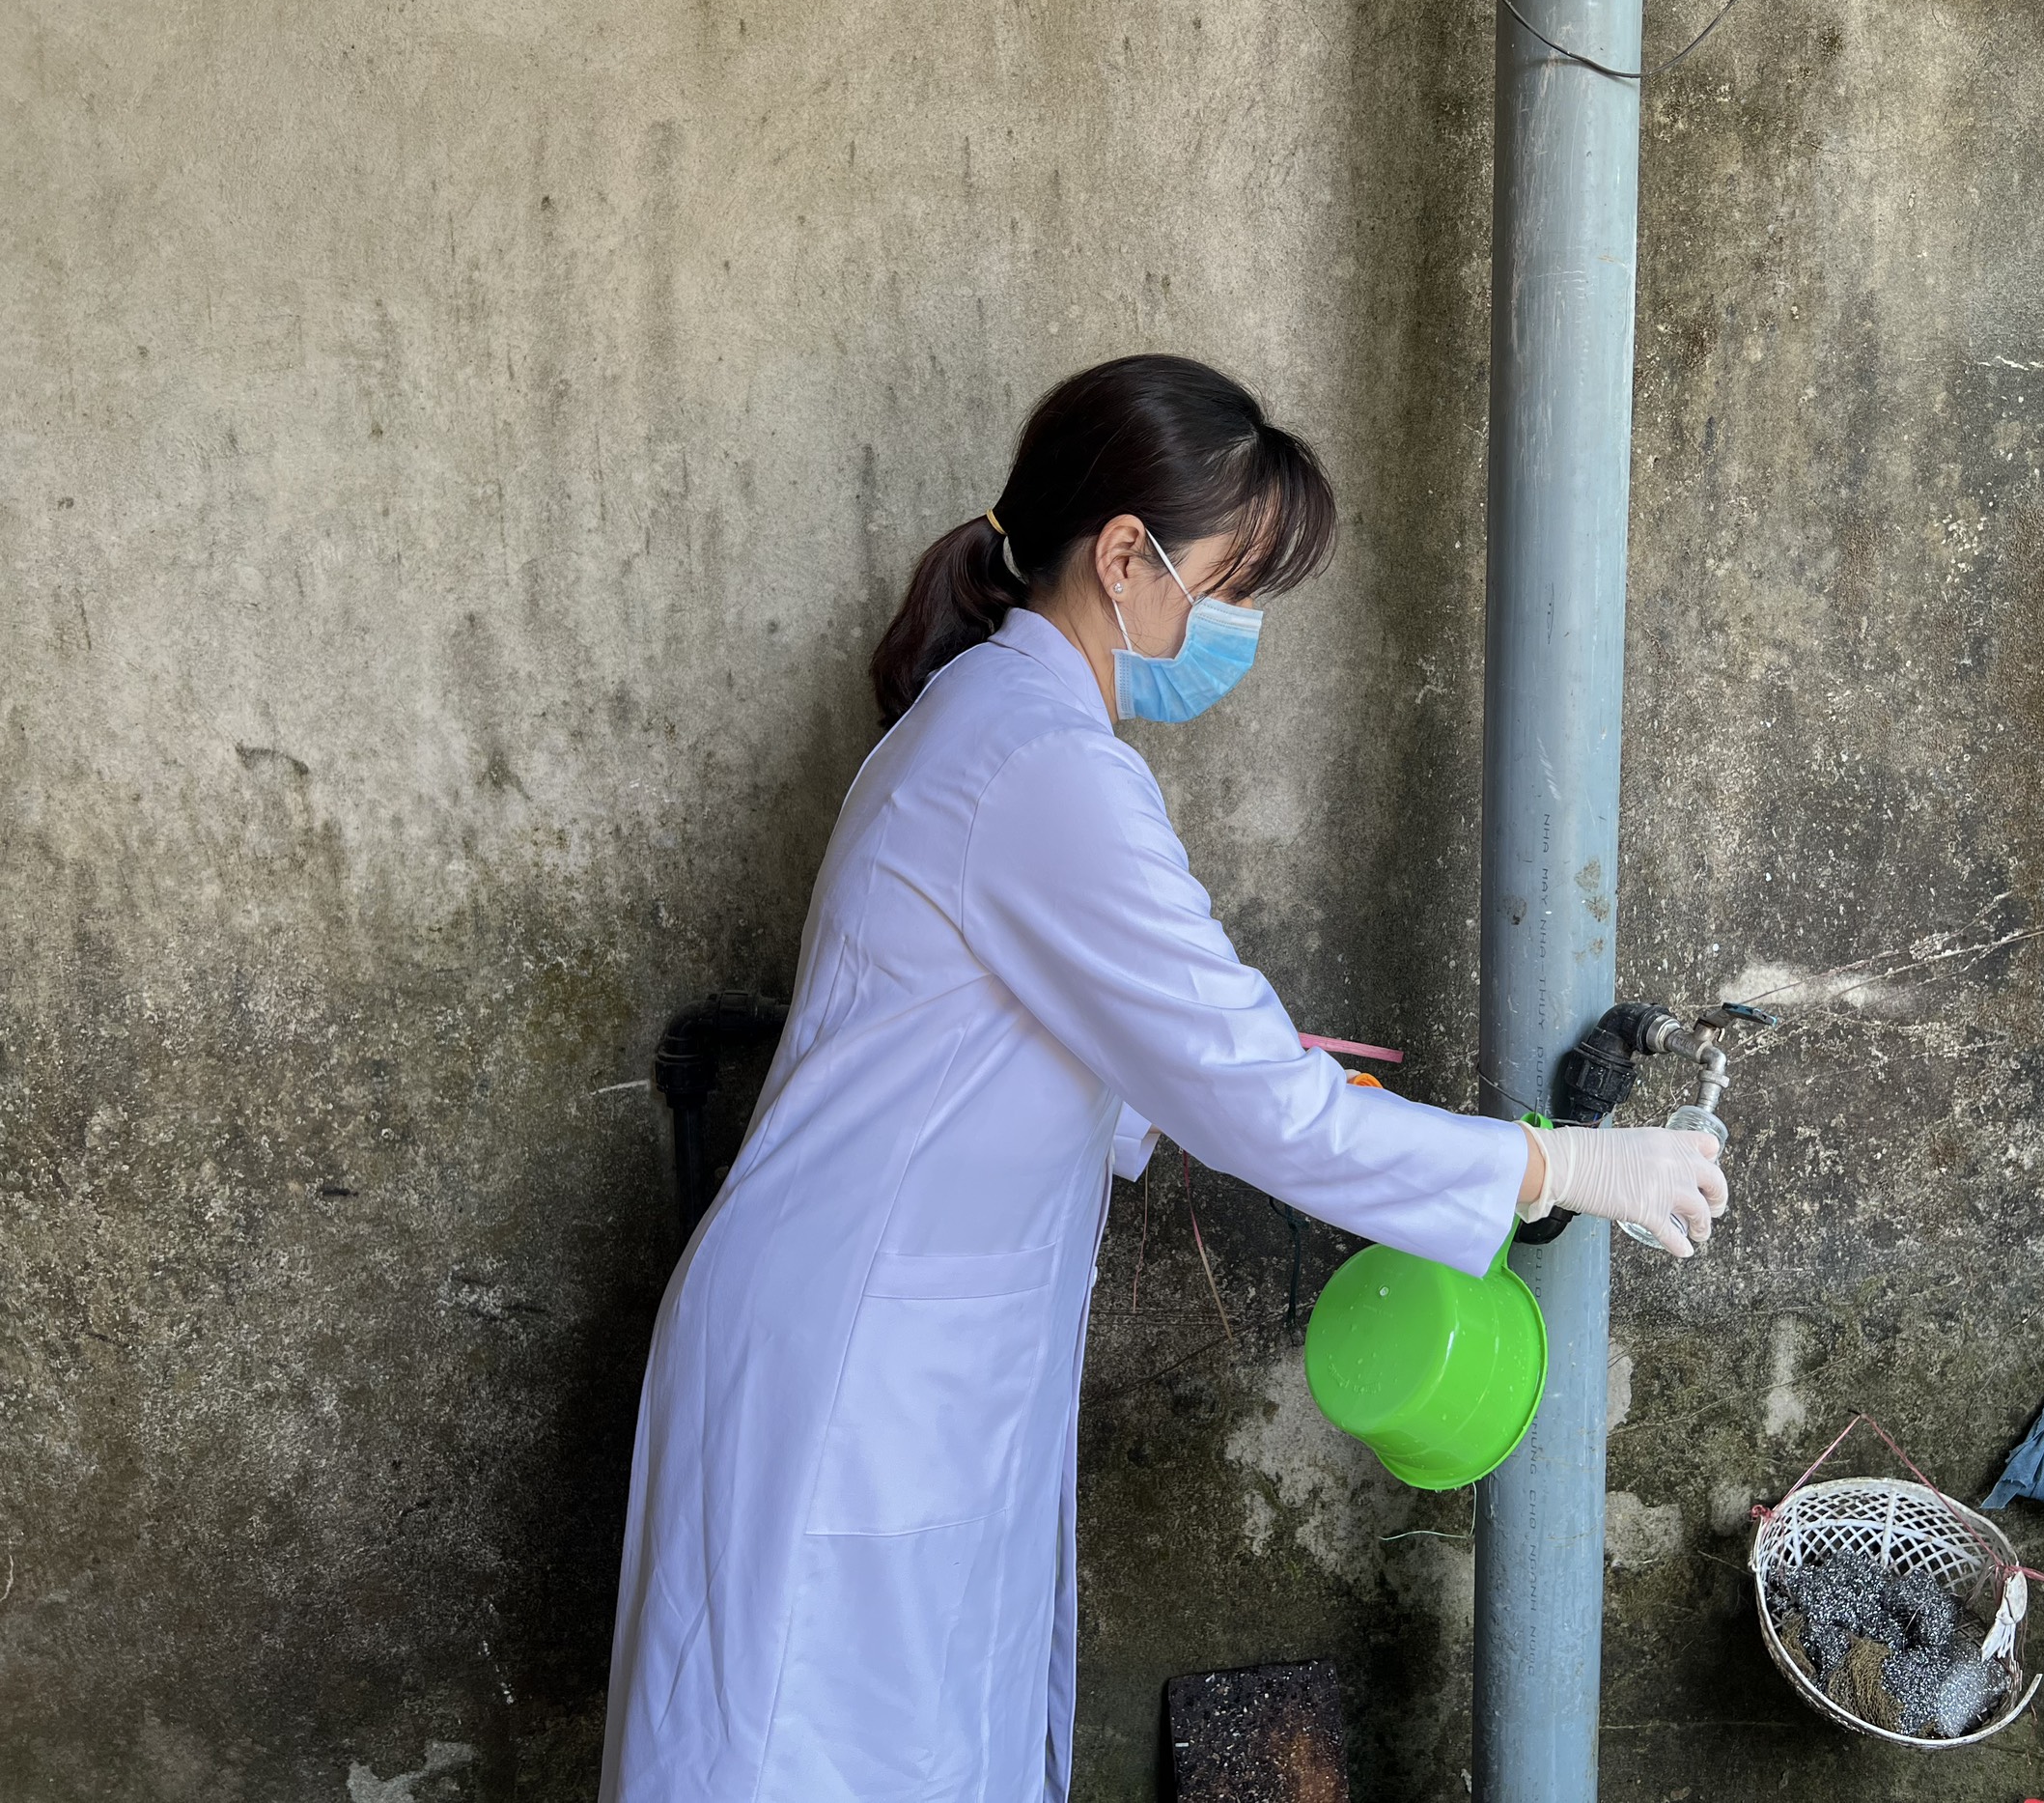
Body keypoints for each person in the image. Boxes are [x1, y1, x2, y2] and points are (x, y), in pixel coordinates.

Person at [599, 354, 1728, 1803]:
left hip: (900, 1358)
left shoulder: (997, 724)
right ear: (1126, 558)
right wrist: (1563, 1166)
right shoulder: (1043, 767)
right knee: (807, 1755)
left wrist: (1242, 1071)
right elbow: (1252, 1104)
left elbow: (1088, 1049)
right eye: (1233, 586)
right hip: (855, 1376)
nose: (1237, 630)